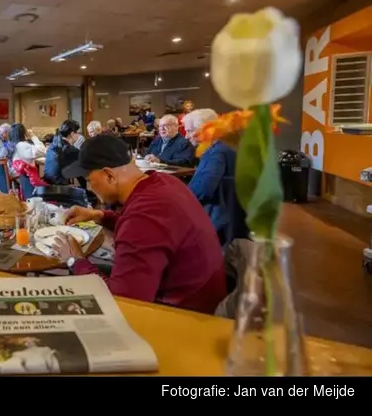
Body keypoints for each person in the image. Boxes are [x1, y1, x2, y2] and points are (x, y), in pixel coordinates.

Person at [52, 134, 226, 315]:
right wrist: (100, 215)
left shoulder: (144, 216)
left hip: (184, 316)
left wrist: (75, 260)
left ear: (109, 176)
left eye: (88, 180)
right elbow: (150, 231)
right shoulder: (164, 182)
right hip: (200, 296)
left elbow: (123, 302)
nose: (89, 188)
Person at [184, 109, 249, 246]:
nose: (186, 136)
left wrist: (179, 198)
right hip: (231, 218)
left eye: (189, 131)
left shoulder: (216, 153)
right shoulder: (223, 147)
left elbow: (203, 190)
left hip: (220, 224)